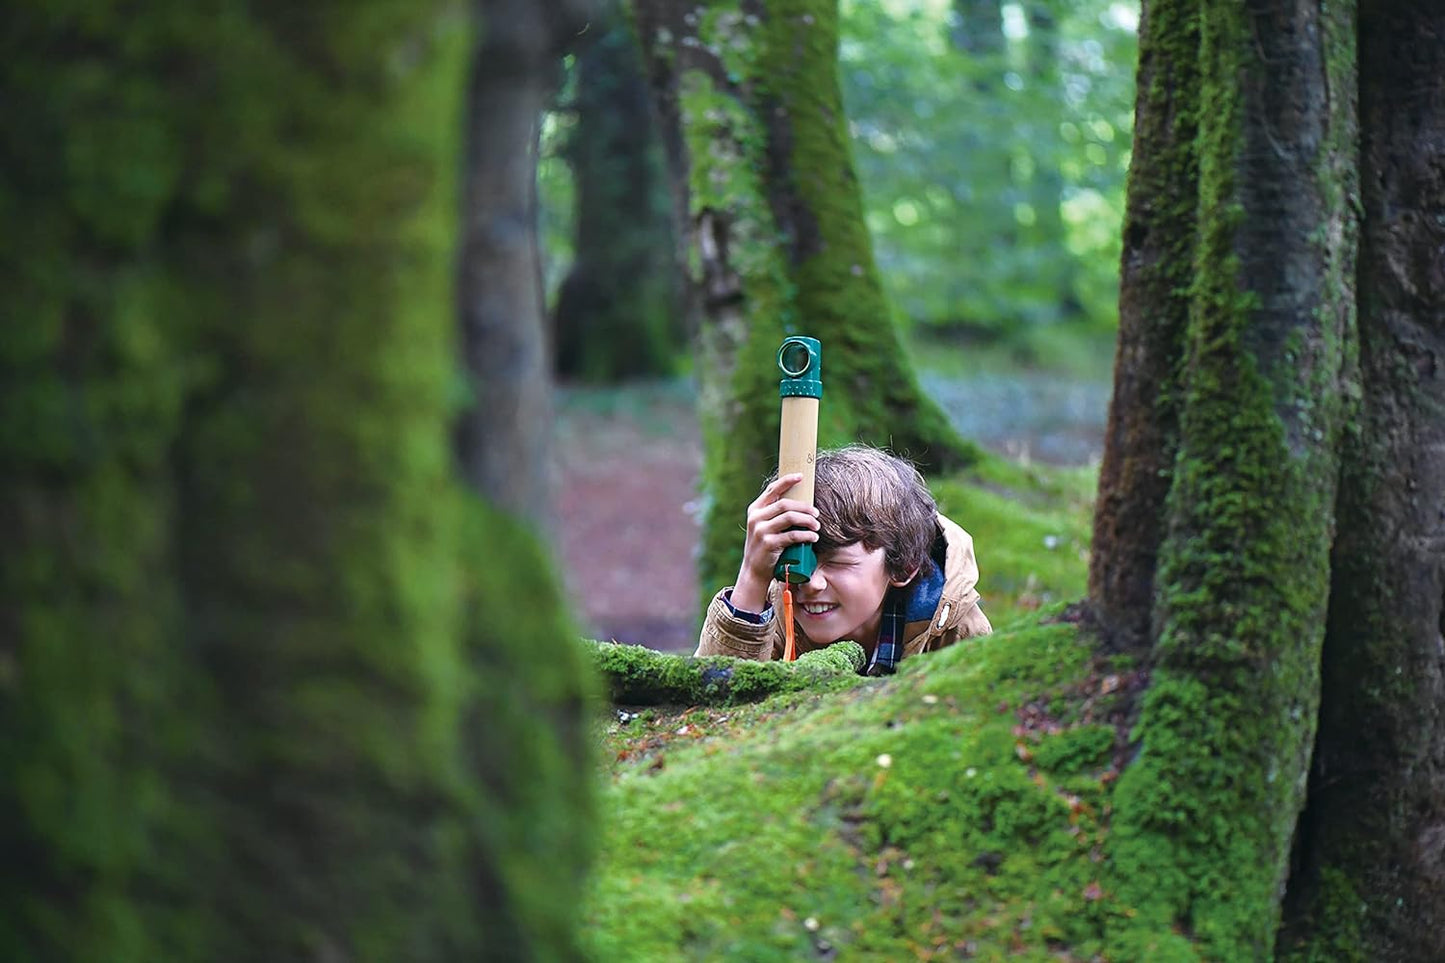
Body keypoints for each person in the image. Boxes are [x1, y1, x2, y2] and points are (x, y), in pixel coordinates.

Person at [695, 445, 991, 675]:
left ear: (904, 565)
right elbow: (710, 710)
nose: (810, 582)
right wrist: (752, 574)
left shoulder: (952, 629)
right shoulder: (774, 615)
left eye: (836, 562)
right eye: (800, 558)